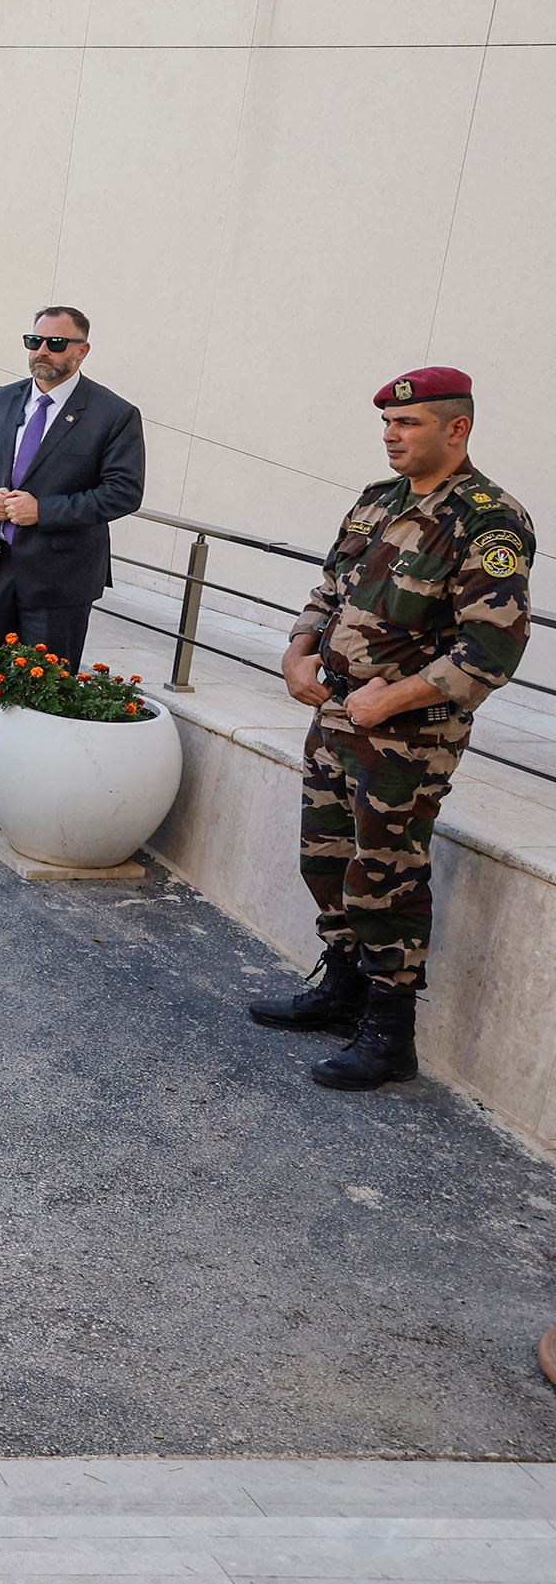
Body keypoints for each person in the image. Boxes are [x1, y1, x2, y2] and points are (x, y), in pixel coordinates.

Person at [250, 368, 531, 1090]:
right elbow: (328, 588)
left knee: (387, 876)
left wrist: (394, 698)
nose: (391, 436)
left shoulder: (488, 520)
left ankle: (390, 1030)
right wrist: (296, 650)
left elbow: (491, 649)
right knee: (327, 860)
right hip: (337, 715)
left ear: (456, 428)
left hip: (408, 738)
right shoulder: (379, 501)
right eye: (386, 425)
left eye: (407, 425)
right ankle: (341, 988)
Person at [0, 306, 146, 802]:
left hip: (59, 580)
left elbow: (123, 493)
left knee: (47, 686)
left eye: (55, 343)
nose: (42, 352)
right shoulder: (3, 400)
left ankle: (32, 794)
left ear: (82, 351)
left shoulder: (114, 415)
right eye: (34, 341)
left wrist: (43, 510)